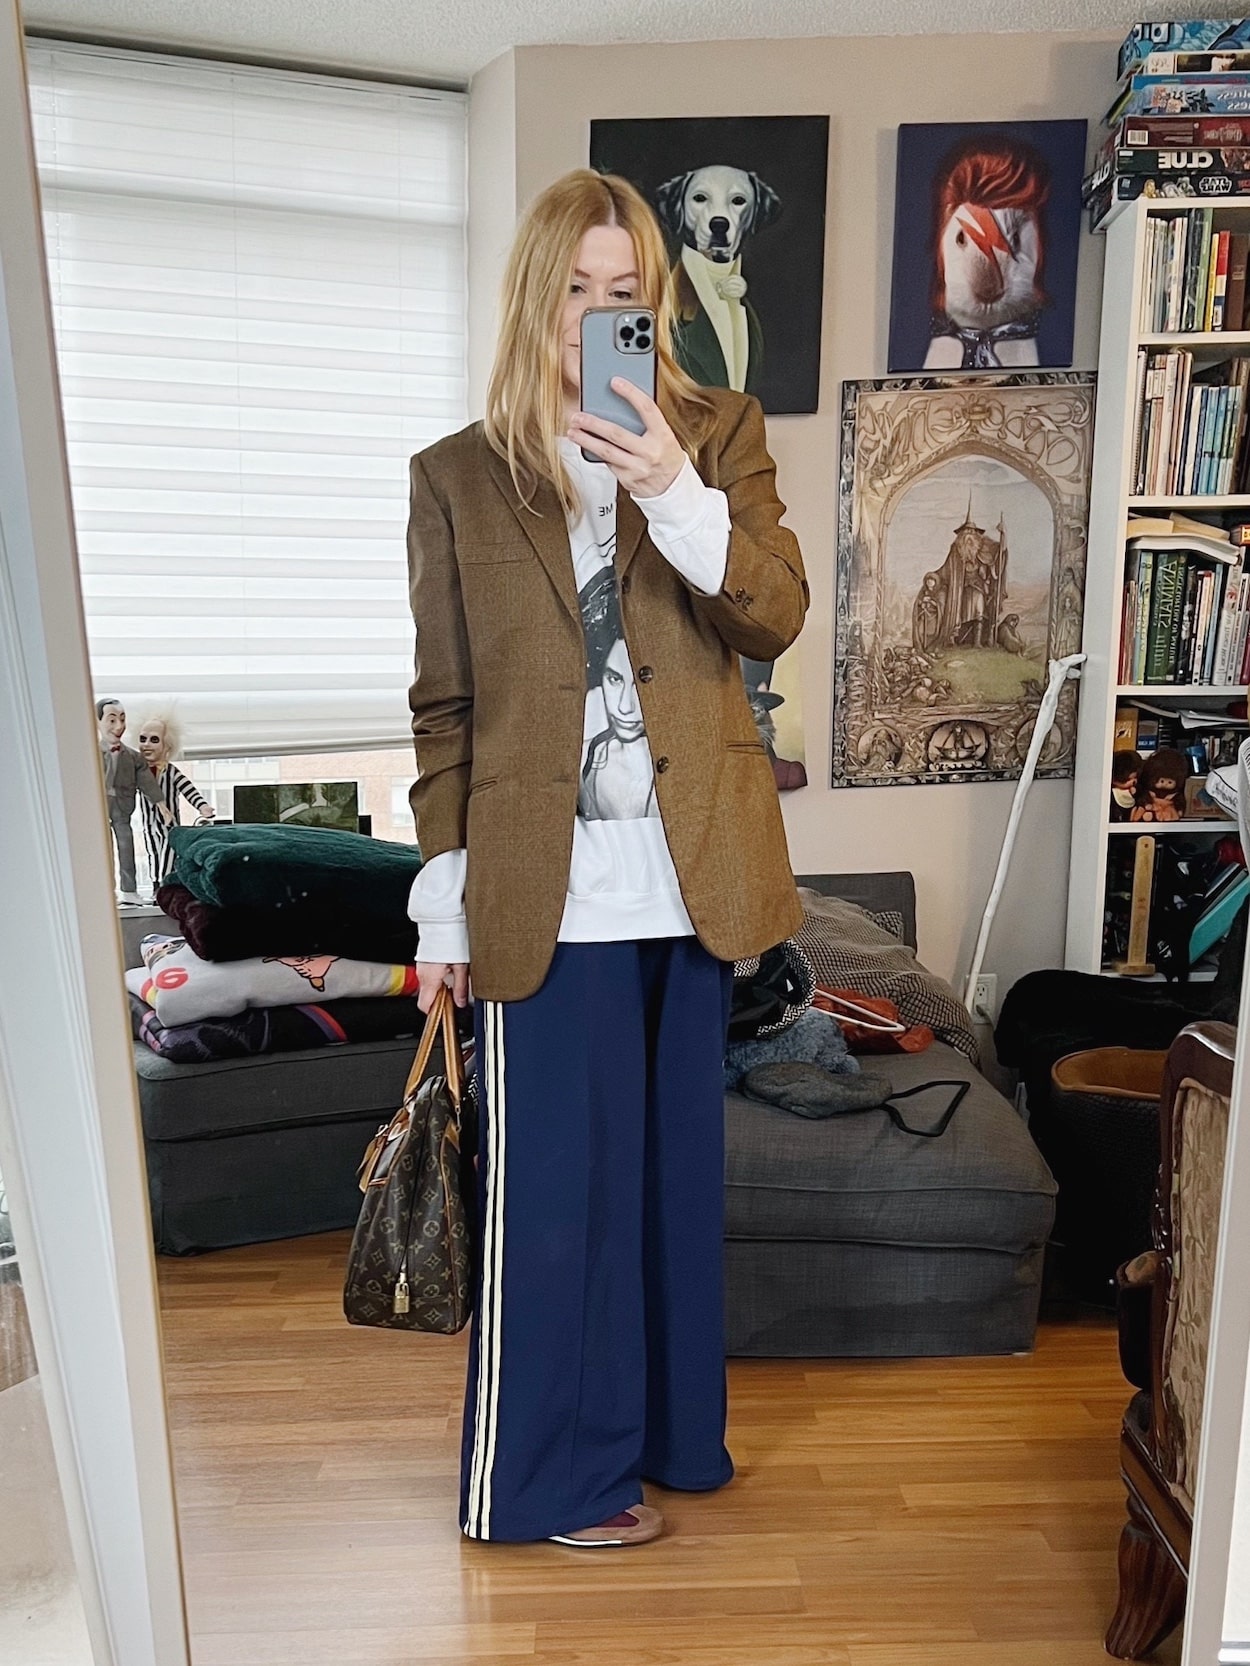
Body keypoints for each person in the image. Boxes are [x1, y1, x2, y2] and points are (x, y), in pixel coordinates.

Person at [404, 169, 808, 1550]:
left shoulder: (718, 434)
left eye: (621, 290)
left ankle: (667, 1445)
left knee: (667, 1193)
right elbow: (444, 709)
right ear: (534, 296)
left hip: (688, 882)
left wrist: (677, 490)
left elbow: (774, 614)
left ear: (655, 298)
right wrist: (440, 910)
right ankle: (543, 1487)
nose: (597, 312)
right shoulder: (458, 477)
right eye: (572, 288)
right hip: (539, 895)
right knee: (552, 1211)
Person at [96, 698, 170, 904]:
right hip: (97, 809)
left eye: (122, 719)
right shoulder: (88, 753)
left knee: (126, 846)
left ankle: (129, 891)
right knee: (102, 849)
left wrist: (161, 805)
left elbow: (147, 782)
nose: (118, 726)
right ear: (98, 722)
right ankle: (105, 892)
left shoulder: (134, 757)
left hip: (123, 807)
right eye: (112, 720)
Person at [134, 712, 215, 886]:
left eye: (154, 740)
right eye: (143, 739)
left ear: (167, 746)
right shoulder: (139, 773)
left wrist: (202, 806)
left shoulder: (170, 772)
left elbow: (188, 790)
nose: (146, 745)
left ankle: (166, 883)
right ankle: (156, 884)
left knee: (168, 852)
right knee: (152, 852)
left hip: (169, 826)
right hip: (149, 825)